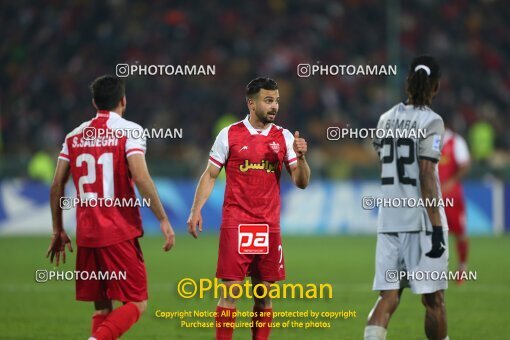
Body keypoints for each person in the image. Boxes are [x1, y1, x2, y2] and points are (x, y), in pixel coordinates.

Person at [47, 75, 175, 340]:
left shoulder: (74, 135)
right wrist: (162, 218)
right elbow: (140, 177)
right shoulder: (130, 131)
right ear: (123, 101)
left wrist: (57, 229)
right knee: (137, 303)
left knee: (103, 305)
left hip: (87, 233)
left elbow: (57, 184)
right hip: (118, 231)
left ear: (94, 102)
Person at [187, 77, 311, 340]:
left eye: (276, 100)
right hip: (237, 223)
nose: (274, 106)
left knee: (264, 296)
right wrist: (195, 209)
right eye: (268, 100)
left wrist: (301, 158)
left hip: (268, 226)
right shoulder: (230, 134)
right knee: (230, 293)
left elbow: (301, 182)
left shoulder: (284, 137)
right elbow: (210, 174)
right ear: (251, 104)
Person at [365, 56, 449, 340]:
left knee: (387, 296)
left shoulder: (385, 119)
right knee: (433, 300)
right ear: (436, 86)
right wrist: (436, 226)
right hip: (421, 223)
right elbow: (426, 175)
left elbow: (383, 166)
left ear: (407, 83)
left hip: (389, 221)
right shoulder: (433, 121)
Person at [439, 121, 470, 282]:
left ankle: (462, 268)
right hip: (433, 197)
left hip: (452, 196)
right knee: (431, 233)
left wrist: (451, 182)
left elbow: (465, 164)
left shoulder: (456, 141)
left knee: (459, 232)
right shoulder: (429, 141)